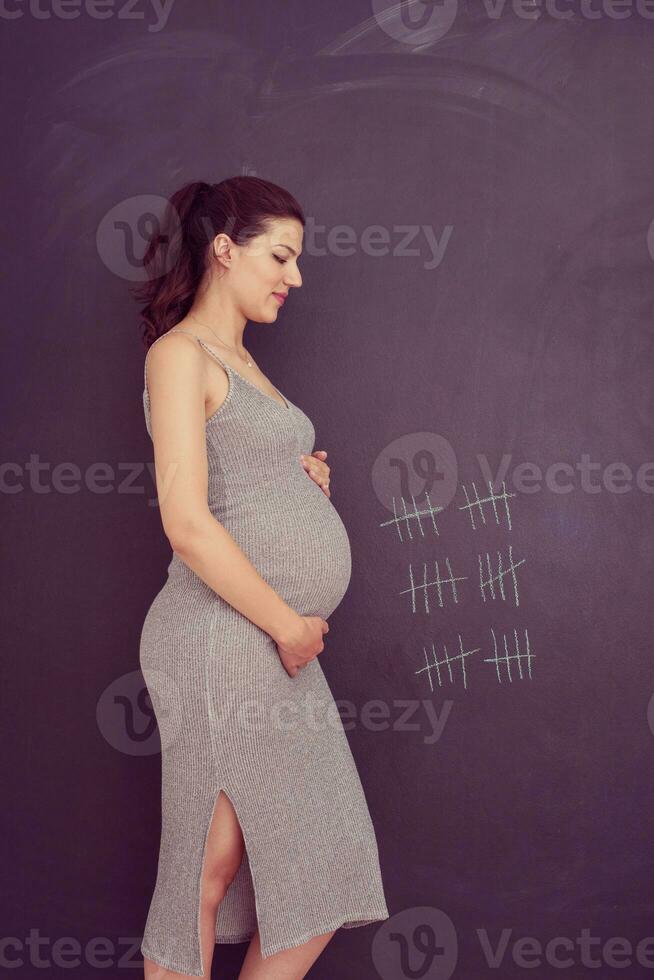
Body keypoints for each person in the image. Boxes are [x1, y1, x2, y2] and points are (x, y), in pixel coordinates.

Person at [135, 176, 389, 979]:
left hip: (274, 644)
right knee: (202, 876)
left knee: (324, 859)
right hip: (223, 638)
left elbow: (238, 483)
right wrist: (287, 625)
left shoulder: (243, 360)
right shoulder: (179, 355)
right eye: (281, 255)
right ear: (223, 250)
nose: (296, 276)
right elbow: (186, 519)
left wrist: (297, 479)